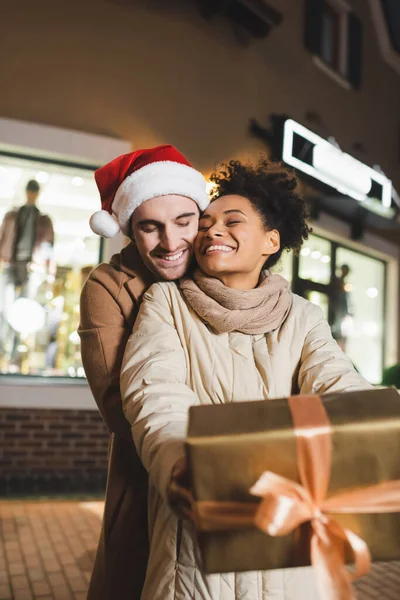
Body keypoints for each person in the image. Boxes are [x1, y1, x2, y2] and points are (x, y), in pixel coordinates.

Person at [120, 158, 372, 600]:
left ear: (271, 241)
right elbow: (155, 394)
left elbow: (336, 383)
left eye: (232, 221)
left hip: (288, 556)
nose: (212, 230)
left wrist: (377, 424)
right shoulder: (166, 303)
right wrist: (183, 465)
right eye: (206, 223)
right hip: (194, 557)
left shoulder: (303, 317)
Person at [78, 145, 208, 600]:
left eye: (184, 222)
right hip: (149, 472)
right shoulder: (107, 286)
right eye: (150, 226)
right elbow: (119, 408)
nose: (170, 244)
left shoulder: (224, 271)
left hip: (236, 469)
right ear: (131, 228)